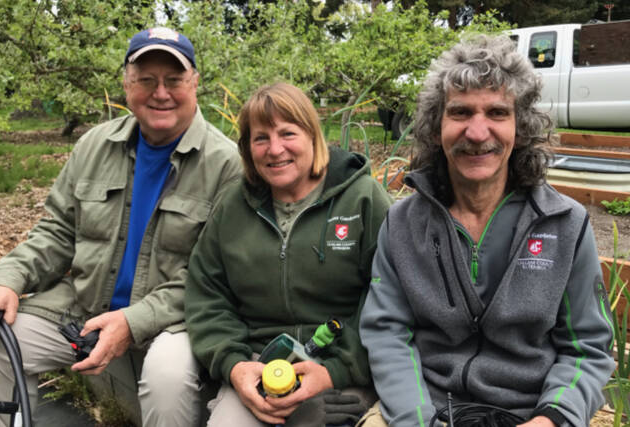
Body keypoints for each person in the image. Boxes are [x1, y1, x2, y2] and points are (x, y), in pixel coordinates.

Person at [0, 27, 242, 426]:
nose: (161, 93)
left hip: (172, 321)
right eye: (146, 80)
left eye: (174, 80)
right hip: (86, 303)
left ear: (195, 83)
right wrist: (7, 279)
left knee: (167, 378)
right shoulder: (95, 145)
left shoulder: (227, 165)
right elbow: (57, 232)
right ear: (126, 85)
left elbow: (211, 276)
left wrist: (132, 321)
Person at [359, 35, 615, 427]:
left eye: (497, 112)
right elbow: (387, 335)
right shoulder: (402, 224)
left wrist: (553, 417)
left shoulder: (565, 224)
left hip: (531, 411)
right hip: (426, 409)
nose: (478, 133)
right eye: (460, 112)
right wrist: (417, 419)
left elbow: (587, 348)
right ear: (436, 127)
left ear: (521, 127)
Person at [185, 82, 392, 426]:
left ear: (313, 135)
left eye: (287, 133)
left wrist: (335, 370)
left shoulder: (363, 200)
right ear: (247, 148)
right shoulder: (232, 206)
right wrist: (235, 366)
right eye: (261, 138)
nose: (275, 149)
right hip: (259, 366)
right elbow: (207, 296)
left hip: (345, 367)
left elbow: (390, 297)